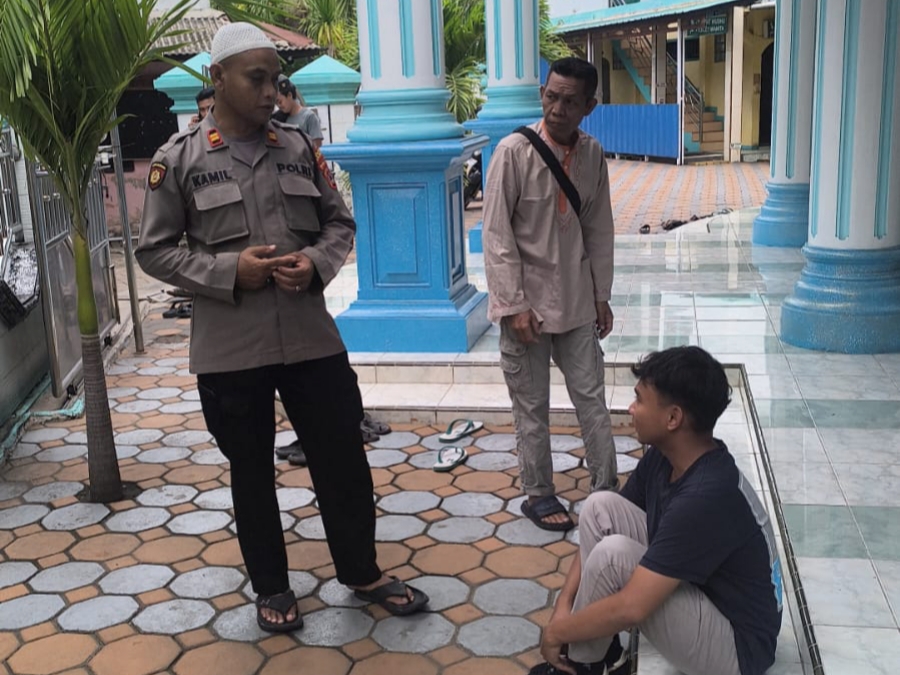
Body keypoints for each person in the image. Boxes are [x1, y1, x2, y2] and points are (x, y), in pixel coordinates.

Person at [136, 22, 428, 633]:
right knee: (251, 471)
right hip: (230, 347)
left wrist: (316, 262)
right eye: (257, 79)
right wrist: (228, 271)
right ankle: (272, 586)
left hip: (309, 337)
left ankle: (362, 572)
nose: (271, 91)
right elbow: (155, 251)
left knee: (342, 458)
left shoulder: (296, 147)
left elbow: (339, 224)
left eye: (275, 79)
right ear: (218, 78)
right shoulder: (179, 159)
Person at [530, 346, 783, 675]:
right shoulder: (669, 456)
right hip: (708, 594)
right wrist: (564, 606)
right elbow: (608, 522)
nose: (631, 409)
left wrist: (556, 633)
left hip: (739, 650)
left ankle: (581, 665)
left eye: (639, 400)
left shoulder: (704, 496)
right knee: (600, 507)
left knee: (613, 556)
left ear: (673, 418)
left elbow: (633, 607)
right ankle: (600, 655)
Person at [482, 56, 617, 531]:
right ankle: (538, 493)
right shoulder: (512, 152)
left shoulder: (593, 155)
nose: (558, 109)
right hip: (527, 309)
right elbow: (496, 235)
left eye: (570, 102)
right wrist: (513, 305)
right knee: (531, 407)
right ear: (542, 94)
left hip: (577, 302)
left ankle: (607, 490)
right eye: (552, 97)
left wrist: (601, 295)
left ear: (589, 106)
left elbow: (599, 228)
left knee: (592, 400)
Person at [273, 74, 324, 149]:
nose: (279, 106)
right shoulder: (278, 118)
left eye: (280, 102)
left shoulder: (309, 117)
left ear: (289, 95)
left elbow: (317, 146)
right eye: (276, 103)